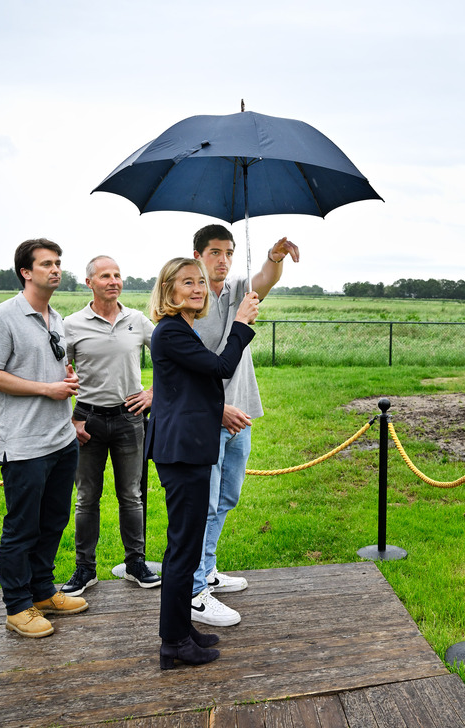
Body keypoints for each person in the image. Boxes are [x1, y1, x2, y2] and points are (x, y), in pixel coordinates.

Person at [145, 257, 259, 669]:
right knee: (183, 549)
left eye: (200, 282)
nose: (197, 288)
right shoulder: (171, 331)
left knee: (187, 546)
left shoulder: (183, 329)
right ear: (169, 290)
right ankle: (174, 643)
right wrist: (241, 322)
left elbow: (194, 389)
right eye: (187, 282)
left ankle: (180, 630)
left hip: (188, 447)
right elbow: (221, 367)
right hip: (182, 452)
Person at [188, 224, 298, 627]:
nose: (224, 260)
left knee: (226, 499)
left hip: (243, 413)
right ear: (198, 255)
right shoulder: (189, 299)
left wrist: (273, 258)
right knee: (203, 504)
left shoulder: (237, 290)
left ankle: (207, 571)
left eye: (229, 252)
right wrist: (217, 409)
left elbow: (265, 279)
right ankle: (194, 591)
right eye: (215, 252)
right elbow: (187, 368)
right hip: (208, 417)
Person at [0, 238, 88, 638]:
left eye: (58, 262)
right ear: (26, 272)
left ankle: (42, 591)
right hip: (24, 443)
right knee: (22, 527)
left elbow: (51, 367)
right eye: (46, 264)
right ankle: (17, 606)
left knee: (54, 520)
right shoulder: (3, 316)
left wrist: (67, 380)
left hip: (61, 439)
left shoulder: (55, 317)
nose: (55, 269)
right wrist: (47, 389)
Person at [61, 256, 160, 596]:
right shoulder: (72, 324)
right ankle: (84, 569)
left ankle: (135, 564)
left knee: (131, 496)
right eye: (105, 275)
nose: (114, 280)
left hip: (129, 418)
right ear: (89, 282)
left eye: (117, 275)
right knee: (86, 498)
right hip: (87, 420)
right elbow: (57, 374)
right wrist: (71, 418)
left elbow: (170, 356)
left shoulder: (137, 320)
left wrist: (152, 393)